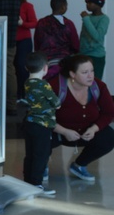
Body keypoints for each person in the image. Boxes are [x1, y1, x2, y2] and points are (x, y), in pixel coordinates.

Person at [49, 54, 114, 183]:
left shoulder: (99, 86)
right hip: (57, 132)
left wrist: (95, 129)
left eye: (92, 71)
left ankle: (79, 165)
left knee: (109, 137)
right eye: (85, 72)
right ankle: (40, 166)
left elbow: (109, 112)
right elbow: (42, 115)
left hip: (85, 133)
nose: (90, 76)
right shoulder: (55, 86)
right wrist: (63, 131)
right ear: (73, 74)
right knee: (39, 133)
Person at [21, 52, 60, 194]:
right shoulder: (44, 85)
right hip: (42, 125)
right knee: (41, 155)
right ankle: (37, 183)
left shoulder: (27, 83)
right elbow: (56, 102)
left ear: (26, 68)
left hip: (30, 122)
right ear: (45, 68)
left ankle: (28, 181)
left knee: (30, 154)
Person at [34, 0, 79, 80]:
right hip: (64, 63)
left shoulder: (41, 22)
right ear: (63, 7)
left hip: (45, 63)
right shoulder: (68, 24)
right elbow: (76, 46)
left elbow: (37, 44)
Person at [14, 0, 38, 100]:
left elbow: (34, 23)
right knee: (12, 67)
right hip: (11, 40)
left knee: (22, 66)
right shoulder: (9, 4)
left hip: (24, 40)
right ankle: (16, 95)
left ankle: (23, 94)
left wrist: (23, 23)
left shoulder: (27, 6)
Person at [80, 0, 109, 81]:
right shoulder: (88, 17)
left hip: (96, 57)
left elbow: (97, 36)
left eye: (89, 3)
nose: (87, 5)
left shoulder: (104, 19)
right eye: (86, 3)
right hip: (83, 55)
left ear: (98, 4)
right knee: (83, 83)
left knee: (95, 83)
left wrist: (86, 19)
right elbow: (83, 36)